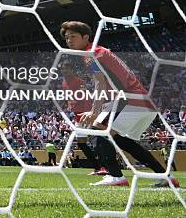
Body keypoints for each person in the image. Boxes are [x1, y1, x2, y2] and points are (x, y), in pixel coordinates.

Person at [60, 21, 179, 187]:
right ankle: (166, 177)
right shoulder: (99, 52)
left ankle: (116, 177)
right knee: (121, 140)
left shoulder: (90, 54)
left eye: (73, 36)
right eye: (66, 37)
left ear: (85, 37)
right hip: (141, 102)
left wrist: (95, 111)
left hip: (131, 100)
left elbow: (99, 82)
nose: (69, 40)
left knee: (99, 129)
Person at [60, 62, 106, 175]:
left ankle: (104, 166)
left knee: (95, 139)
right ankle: (98, 167)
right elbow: (68, 98)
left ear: (72, 70)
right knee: (81, 143)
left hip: (85, 113)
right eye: (62, 69)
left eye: (66, 69)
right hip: (77, 115)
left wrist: (89, 113)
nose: (64, 71)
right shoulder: (64, 83)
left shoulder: (79, 82)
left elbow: (85, 97)